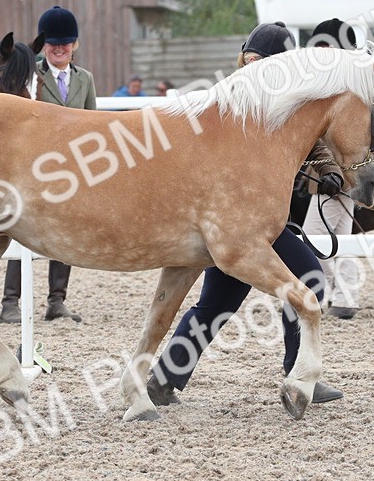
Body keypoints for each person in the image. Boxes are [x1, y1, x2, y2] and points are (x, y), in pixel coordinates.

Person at [146, 21, 347, 407]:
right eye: (250, 59)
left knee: (221, 303)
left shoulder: (286, 106)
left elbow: (310, 141)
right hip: (236, 225)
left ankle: (164, 379)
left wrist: (329, 171)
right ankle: (299, 374)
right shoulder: (231, 104)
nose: (252, 67)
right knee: (304, 279)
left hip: (252, 226)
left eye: (261, 61)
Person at [0, 6, 97, 324]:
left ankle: (57, 300)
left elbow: (94, 122)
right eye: (54, 42)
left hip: (74, 166)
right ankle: (10, 302)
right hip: (36, 165)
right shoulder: (32, 75)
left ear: (75, 44)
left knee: (66, 232)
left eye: (66, 42)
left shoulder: (85, 79)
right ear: (44, 45)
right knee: (19, 229)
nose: (60, 47)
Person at [299, 18, 364, 319]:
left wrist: (333, 174)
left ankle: (323, 292)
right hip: (338, 174)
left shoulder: (339, 90)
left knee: (314, 237)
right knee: (343, 238)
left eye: (326, 47)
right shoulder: (337, 86)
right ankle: (346, 298)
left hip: (336, 176)